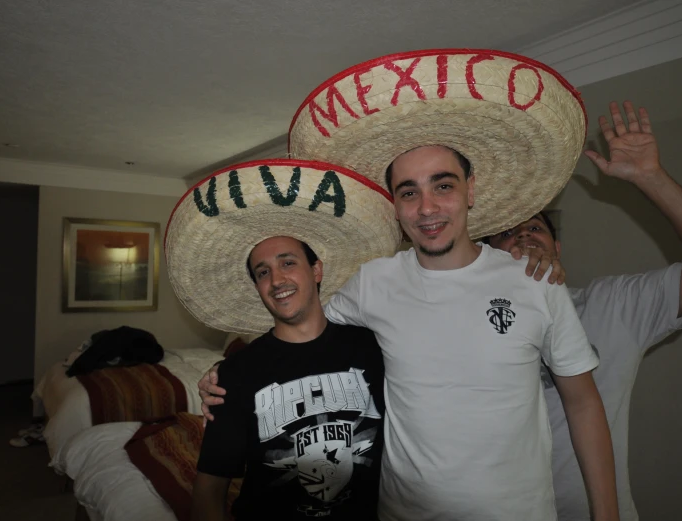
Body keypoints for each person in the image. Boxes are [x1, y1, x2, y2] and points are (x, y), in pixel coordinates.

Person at [200, 49, 620, 521]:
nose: (426, 208)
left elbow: (583, 404)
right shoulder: (374, 282)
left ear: (471, 190)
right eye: (408, 192)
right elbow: (301, 329)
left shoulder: (535, 280)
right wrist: (228, 375)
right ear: (395, 207)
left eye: (443, 185)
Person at [164, 160, 403, 521]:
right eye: (263, 272)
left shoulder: (373, 346)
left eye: (288, 263)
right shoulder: (235, 374)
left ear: (316, 269)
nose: (277, 280)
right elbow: (209, 491)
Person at [486, 101, 682, 521]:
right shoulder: (466, 323)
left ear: (557, 248)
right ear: (486, 256)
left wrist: (652, 178)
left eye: (535, 227)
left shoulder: (611, 305)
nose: (523, 234)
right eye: (506, 232)